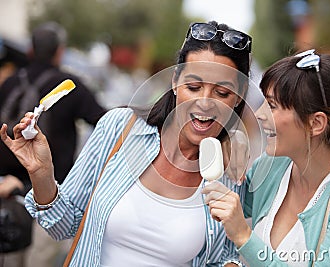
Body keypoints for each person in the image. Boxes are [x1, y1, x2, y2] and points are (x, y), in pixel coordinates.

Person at [1, 21, 253, 266]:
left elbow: (222, 258)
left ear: (239, 96)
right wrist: (42, 174)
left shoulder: (232, 171)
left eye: (222, 93)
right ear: (175, 81)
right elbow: (63, 226)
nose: (205, 102)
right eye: (194, 86)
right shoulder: (118, 127)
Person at [203, 49, 330, 266]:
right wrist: (222, 152)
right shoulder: (272, 166)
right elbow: (214, 210)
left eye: (272, 105)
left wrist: (243, 236)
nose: (259, 114)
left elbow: (238, 228)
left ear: (316, 123)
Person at [0, 22, 106, 267]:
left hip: (7, 190)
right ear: (60, 51)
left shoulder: (10, 82)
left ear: (30, 51)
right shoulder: (70, 86)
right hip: (49, 196)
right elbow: (104, 121)